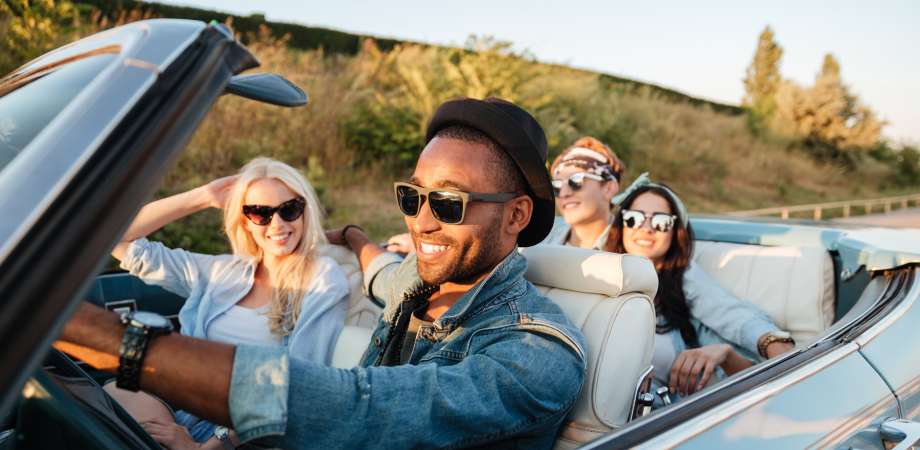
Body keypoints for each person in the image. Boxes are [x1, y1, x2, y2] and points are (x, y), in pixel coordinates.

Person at [56, 97, 587, 449]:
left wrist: (106, 340)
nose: (421, 220)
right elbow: (380, 273)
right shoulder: (416, 281)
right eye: (412, 195)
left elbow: (362, 409)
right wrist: (354, 238)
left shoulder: (538, 351)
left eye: (448, 202)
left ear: (517, 214)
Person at [105, 156, 351, 449]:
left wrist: (207, 446)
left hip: (243, 430)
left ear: (304, 210)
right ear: (245, 221)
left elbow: (298, 384)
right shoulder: (224, 271)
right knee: (116, 389)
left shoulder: (321, 277)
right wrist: (203, 197)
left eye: (290, 209)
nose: (277, 224)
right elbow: (116, 237)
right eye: (260, 212)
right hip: (183, 402)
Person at [543, 139, 795, 400]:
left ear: (610, 189)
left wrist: (772, 342)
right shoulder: (542, 242)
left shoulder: (664, 271)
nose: (646, 228)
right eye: (557, 186)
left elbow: (726, 309)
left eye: (576, 182)